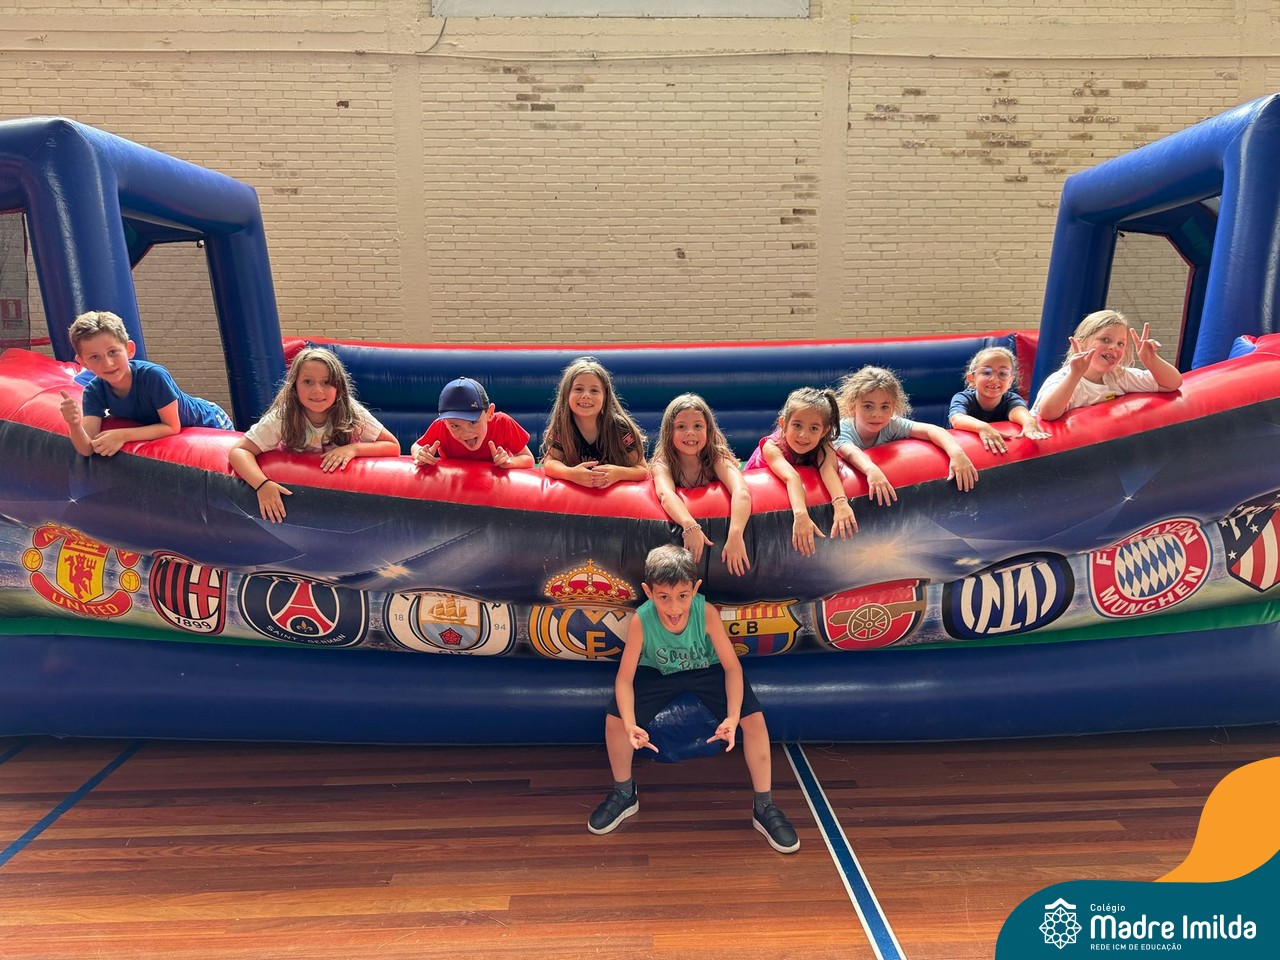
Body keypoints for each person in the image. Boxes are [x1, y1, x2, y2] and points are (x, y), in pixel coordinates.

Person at [587, 544, 800, 854]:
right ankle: (624, 793)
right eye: (663, 597)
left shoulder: (706, 613)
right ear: (648, 592)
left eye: (682, 596)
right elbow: (624, 679)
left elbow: (732, 668)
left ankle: (764, 805)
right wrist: (631, 725)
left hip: (706, 669)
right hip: (657, 672)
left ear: (695, 590)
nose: (674, 608)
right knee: (614, 721)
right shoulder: (642, 620)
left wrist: (732, 717)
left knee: (754, 720)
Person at [228, 347, 400, 523]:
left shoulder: (350, 412)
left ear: (339, 387)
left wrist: (353, 449)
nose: (318, 391)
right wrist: (262, 485)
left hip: (341, 493)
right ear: (294, 386)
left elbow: (393, 446)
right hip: (299, 492)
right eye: (307, 382)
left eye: (326, 382)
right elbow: (239, 451)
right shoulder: (283, 417)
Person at [59, 310, 233, 457]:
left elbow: (172, 427)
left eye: (113, 352)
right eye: (94, 357)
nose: (108, 364)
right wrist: (74, 424)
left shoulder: (153, 376)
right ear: (83, 362)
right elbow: (87, 448)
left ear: (129, 350)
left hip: (209, 421)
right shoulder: (94, 391)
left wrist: (122, 435)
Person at [834, 365, 978, 505]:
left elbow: (932, 430)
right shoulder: (840, 430)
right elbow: (851, 452)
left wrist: (957, 453)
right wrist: (871, 469)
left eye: (885, 407)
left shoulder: (891, 425)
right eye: (868, 406)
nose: (877, 414)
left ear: (893, 408)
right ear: (852, 407)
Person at [742, 387, 856, 557]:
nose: (804, 435)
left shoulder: (824, 445)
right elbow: (791, 477)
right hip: (759, 503)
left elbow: (828, 470)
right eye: (797, 425)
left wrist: (841, 503)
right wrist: (801, 515)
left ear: (824, 431)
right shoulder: (772, 447)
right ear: (783, 423)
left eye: (814, 428)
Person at [650, 393, 752, 576]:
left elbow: (741, 490)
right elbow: (665, 494)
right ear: (668, 432)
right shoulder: (663, 464)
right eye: (681, 426)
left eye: (698, 426)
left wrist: (736, 534)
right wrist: (690, 525)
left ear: (708, 430)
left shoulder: (716, 458)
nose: (690, 432)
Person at [1031, 309, 1183, 421]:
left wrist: (1151, 360)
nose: (1114, 347)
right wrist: (1074, 375)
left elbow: (1172, 383)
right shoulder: (1064, 379)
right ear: (1082, 344)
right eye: (1105, 340)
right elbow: (1047, 413)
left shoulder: (1118, 376)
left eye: (1121, 343)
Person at [541, 356, 648, 487]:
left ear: (605, 397)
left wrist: (619, 473)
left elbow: (642, 470)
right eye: (578, 389)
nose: (586, 395)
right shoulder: (562, 428)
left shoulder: (620, 428)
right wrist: (571, 474)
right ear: (566, 394)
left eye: (594, 390)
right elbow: (550, 463)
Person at [411, 377, 534, 469]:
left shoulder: (502, 423)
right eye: (455, 426)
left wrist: (509, 462)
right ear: (445, 421)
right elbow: (416, 446)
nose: (466, 433)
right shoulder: (441, 426)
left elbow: (528, 459)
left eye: (473, 422)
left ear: (490, 413)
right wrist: (420, 454)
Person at [948, 346, 1050, 454]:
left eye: (1002, 374)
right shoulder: (963, 398)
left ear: (1010, 381)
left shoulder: (1011, 399)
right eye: (986, 373)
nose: (994, 379)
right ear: (972, 378)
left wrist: (1029, 423)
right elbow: (957, 419)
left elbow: (1020, 413)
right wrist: (983, 427)